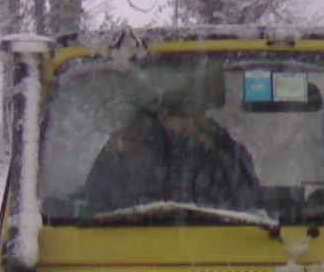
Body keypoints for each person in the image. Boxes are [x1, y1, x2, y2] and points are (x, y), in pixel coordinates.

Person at [84, 69, 261, 214]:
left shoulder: (217, 150)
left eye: (195, 107)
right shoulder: (124, 147)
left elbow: (248, 205)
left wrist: (212, 138)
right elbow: (93, 216)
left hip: (213, 248)